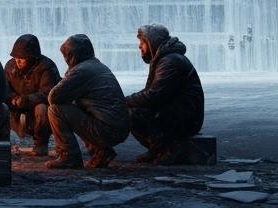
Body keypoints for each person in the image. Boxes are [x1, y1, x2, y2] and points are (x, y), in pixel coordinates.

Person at [46, 34, 129, 170]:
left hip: (107, 130)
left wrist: (69, 74)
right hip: (118, 128)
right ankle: (101, 151)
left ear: (72, 55)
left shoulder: (81, 71)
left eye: (66, 55)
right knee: (79, 108)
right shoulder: (97, 66)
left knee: (56, 110)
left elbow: (53, 97)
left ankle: (68, 157)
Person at [126, 24, 204, 165]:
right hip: (180, 113)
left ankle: (169, 150)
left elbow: (154, 96)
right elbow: (152, 93)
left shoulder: (169, 61)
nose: (139, 46)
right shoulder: (164, 59)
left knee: (131, 114)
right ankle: (157, 150)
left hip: (185, 117)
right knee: (134, 110)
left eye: (142, 42)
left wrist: (124, 101)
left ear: (152, 42)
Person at [5, 34, 60, 156]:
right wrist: (13, 99)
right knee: (0, 107)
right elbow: (3, 89)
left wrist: (26, 100)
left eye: (22, 58)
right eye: (15, 57)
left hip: (37, 113)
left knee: (42, 108)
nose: (17, 61)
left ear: (32, 58)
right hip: (16, 109)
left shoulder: (47, 67)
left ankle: (41, 144)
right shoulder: (10, 66)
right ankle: (1, 143)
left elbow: (49, 93)